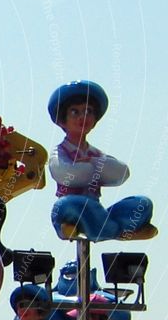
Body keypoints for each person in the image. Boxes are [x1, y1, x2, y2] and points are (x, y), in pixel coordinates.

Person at [48, 80, 156, 241]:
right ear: (62, 120)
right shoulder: (60, 152)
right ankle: (118, 232)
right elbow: (66, 174)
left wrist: (93, 163)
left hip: (96, 211)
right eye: (75, 112)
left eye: (88, 111)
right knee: (76, 205)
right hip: (71, 207)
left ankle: (104, 229)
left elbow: (121, 173)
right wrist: (93, 169)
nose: (83, 117)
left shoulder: (95, 154)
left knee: (142, 203)